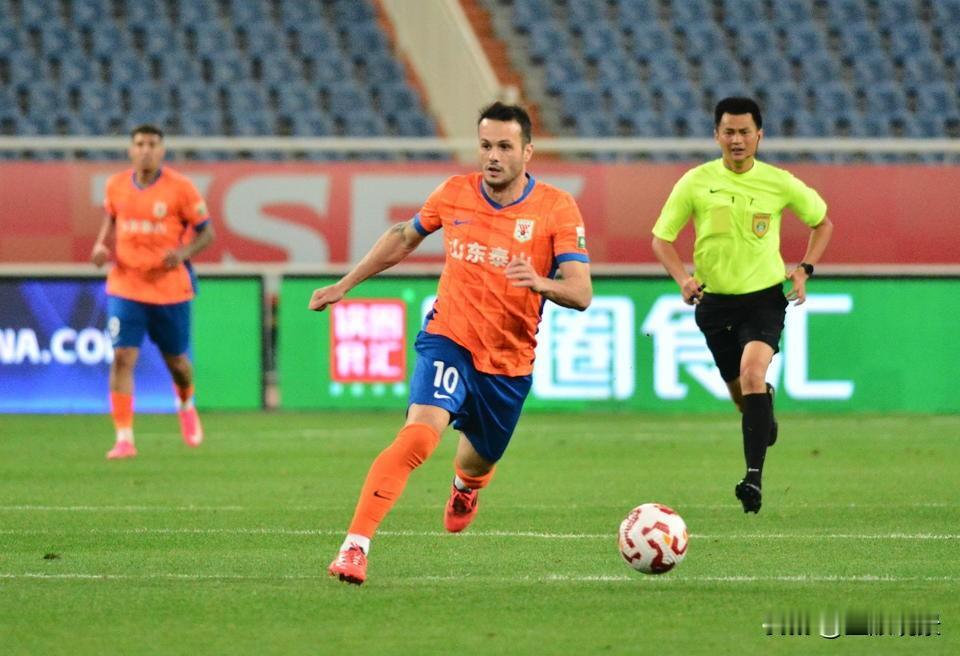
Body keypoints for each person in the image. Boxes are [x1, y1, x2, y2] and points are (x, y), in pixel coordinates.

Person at [310, 102, 592, 584]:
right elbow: (403, 237)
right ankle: (355, 546)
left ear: (528, 151)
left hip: (508, 363)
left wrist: (541, 283)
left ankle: (466, 486)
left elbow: (581, 293)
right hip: (449, 338)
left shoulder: (556, 207)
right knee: (419, 436)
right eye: (486, 146)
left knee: (478, 460)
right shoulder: (454, 193)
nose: (493, 156)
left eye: (505, 147)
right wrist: (345, 284)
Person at [651, 97, 833, 514]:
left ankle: (753, 479)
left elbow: (822, 222)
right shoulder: (695, 182)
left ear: (759, 135)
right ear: (716, 135)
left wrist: (804, 269)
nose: (737, 140)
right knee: (744, 398)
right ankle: (762, 405)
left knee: (752, 373)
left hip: (763, 300)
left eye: (745, 132)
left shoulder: (778, 182)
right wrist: (683, 279)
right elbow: (661, 239)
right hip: (714, 303)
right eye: (729, 132)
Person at [91, 124, 215, 460]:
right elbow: (112, 217)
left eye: (152, 144)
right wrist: (101, 245)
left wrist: (183, 253)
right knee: (122, 357)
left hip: (169, 289)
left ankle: (186, 403)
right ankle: (124, 439)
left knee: (177, 363)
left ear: (162, 150)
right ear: (131, 150)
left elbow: (207, 233)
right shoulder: (116, 185)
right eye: (140, 144)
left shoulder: (181, 188)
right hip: (126, 284)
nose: (145, 150)